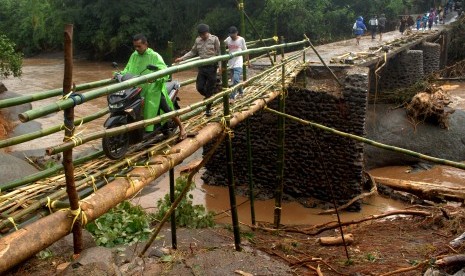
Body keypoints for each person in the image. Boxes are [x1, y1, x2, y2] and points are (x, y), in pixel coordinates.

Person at [119, 34, 186, 140]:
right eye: (135, 46)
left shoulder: (155, 56)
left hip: (153, 88)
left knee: (166, 108)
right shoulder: (134, 55)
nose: (137, 49)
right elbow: (128, 68)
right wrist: (120, 74)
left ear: (146, 44)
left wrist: (155, 78)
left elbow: (164, 70)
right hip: (137, 87)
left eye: (139, 46)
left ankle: (182, 128)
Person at [174, 23, 220, 117]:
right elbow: (193, 52)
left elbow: (219, 53)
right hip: (202, 67)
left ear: (207, 32)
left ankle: (208, 109)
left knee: (209, 89)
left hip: (212, 67)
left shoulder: (214, 39)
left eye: (203, 34)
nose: (202, 36)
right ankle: (210, 96)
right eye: (200, 34)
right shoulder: (198, 40)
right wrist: (182, 58)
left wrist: (220, 66)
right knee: (199, 87)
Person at [224, 26, 249, 103]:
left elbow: (245, 50)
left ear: (236, 33)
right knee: (235, 80)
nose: (232, 37)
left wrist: (248, 61)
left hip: (238, 61)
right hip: (231, 62)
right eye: (230, 35)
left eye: (233, 35)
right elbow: (221, 46)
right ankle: (241, 92)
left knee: (235, 79)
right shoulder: (228, 39)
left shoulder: (241, 40)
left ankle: (232, 97)